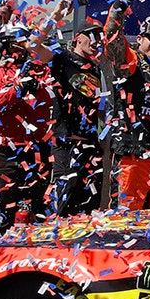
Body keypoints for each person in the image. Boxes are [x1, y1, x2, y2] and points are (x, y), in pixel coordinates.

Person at [0, 26, 55, 231]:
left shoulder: (41, 70)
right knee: (9, 198)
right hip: (5, 144)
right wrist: (17, 90)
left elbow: (52, 103)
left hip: (36, 143)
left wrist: (39, 87)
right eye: (16, 44)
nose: (20, 48)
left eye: (23, 43)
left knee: (38, 199)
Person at [104, 12, 150, 210]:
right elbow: (112, 37)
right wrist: (121, 3)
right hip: (132, 153)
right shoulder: (132, 62)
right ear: (140, 39)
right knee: (127, 218)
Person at [39, 24, 107, 216]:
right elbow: (34, 47)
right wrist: (56, 17)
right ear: (78, 37)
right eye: (92, 35)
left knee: (89, 201)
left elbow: (102, 107)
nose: (96, 41)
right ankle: (57, 241)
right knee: (64, 198)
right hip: (66, 143)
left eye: (99, 37)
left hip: (92, 145)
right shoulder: (62, 59)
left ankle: (84, 243)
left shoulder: (99, 69)